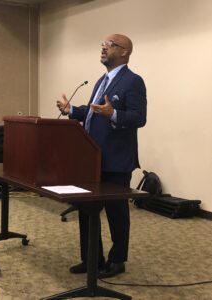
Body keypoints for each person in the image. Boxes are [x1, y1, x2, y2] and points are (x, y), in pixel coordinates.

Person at [57, 33, 147, 278]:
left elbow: (139, 118)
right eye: (103, 45)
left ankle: (118, 260)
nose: (104, 48)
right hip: (92, 158)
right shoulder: (100, 81)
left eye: (110, 45)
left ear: (125, 52)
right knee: (87, 210)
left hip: (116, 159)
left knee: (117, 212)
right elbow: (94, 113)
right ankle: (92, 259)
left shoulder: (133, 81)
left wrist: (114, 114)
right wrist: (73, 110)